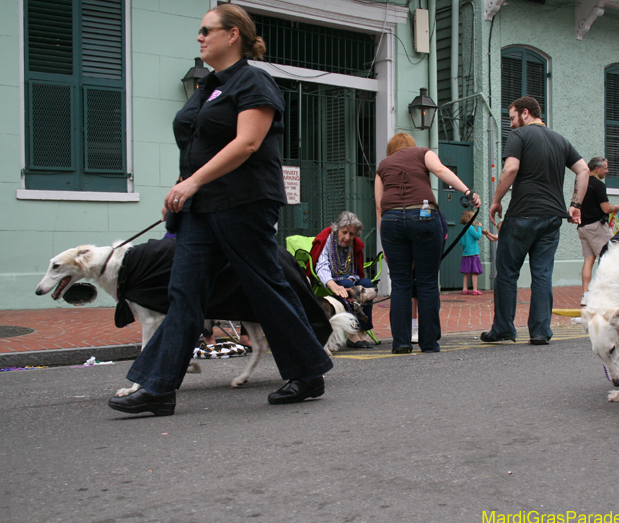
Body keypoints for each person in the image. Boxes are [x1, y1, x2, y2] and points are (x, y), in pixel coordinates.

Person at [108, 4, 333, 416]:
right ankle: (158, 388)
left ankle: (307, 372)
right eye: (199, 31)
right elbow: (199, 146)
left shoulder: (254, 82)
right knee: (184, 293)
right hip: (200, 208)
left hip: (243, 203)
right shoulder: (206, 87)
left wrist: (193, 181)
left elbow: (247, 143)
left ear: (233, 35)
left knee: (265, 284)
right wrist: (182, 186)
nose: (199, 37)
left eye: (207, 30)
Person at [481, 96, 589, 345]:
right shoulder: (561, 140)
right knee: (542, 274)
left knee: (507, 272)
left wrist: (496, 200)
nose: (511, 124)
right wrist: (575, 205)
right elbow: (584, 170)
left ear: (525, 113)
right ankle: (540, 332)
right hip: (553, 217)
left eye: (512, 117)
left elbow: (510, 169)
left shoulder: (519, 137)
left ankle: (504, 329)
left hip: (522, 214)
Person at [375, 133, 481, 354]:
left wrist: (385, 244)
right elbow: (441, 171)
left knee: (401, 283)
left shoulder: (383, 166)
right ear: (411, 146)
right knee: (427, 282)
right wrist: (467, 192)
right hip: (423, 216)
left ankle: (401, 343)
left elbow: (379, 208)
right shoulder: (423, 153)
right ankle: (429, 343)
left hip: (391, 221)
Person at [310, 211, 374, 348]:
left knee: (367, 284)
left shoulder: (355, 244)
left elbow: (357, 271)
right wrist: (332, 284)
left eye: (351, 234)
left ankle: (362, 329)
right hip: (331, 280)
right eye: (344, 232)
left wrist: (351, 278)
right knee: (345, 285)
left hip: (349, 278)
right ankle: (352, 332)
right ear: (337, 229)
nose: (347, 237)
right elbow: (321, 266)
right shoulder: (327, 239)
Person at [578, 157, 619, 306]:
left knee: (588, 260)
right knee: (608, 258)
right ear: (597, 169)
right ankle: (606, 294)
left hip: (582, 227)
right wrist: (615, 207)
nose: (607, 171)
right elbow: (606, 209)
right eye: (606, 168)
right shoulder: (598, 185)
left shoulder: (580, 183)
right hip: (596, 227)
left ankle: (586, 295)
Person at [459, 209, 484, 295]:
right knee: (475, 272)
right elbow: (477, 236)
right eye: (474, 218)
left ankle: (464, 289)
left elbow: (461, 242)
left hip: (465, 253)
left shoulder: (463, 228)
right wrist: (479, 228)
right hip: (473, 253)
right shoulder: (470, 227)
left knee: (467, 272)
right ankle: (475, 289)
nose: (475, 220)